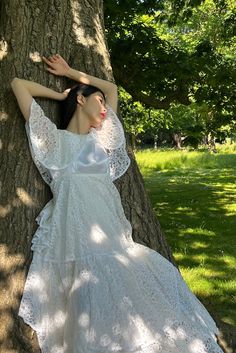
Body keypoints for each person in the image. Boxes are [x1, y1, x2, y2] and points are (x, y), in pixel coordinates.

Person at [11, 54, 224, 353]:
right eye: (96, 102)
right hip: (76, 241)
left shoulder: (101, 141)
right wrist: (62, 94)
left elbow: (111, 89)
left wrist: (72, 72)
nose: (105, 108)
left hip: (114, 239)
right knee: (91, 313)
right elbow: (19, 84)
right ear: (81, 102)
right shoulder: (54, 142)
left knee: (138, 312)